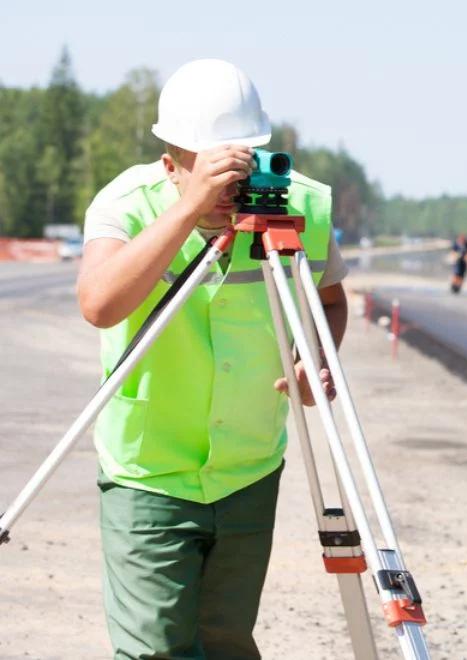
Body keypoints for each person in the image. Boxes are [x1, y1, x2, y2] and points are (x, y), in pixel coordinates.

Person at [76, 59, 347, 659]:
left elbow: (328, 301)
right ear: (172, 165)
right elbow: (98, 304)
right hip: (149, 471)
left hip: (248, 465)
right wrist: (186, 211)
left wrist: (314, 357)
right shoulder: (126, 204)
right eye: (213, 174)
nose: (232, 192)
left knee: (224, 645)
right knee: (155, 649)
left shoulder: (299, 206)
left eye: (240, 165)